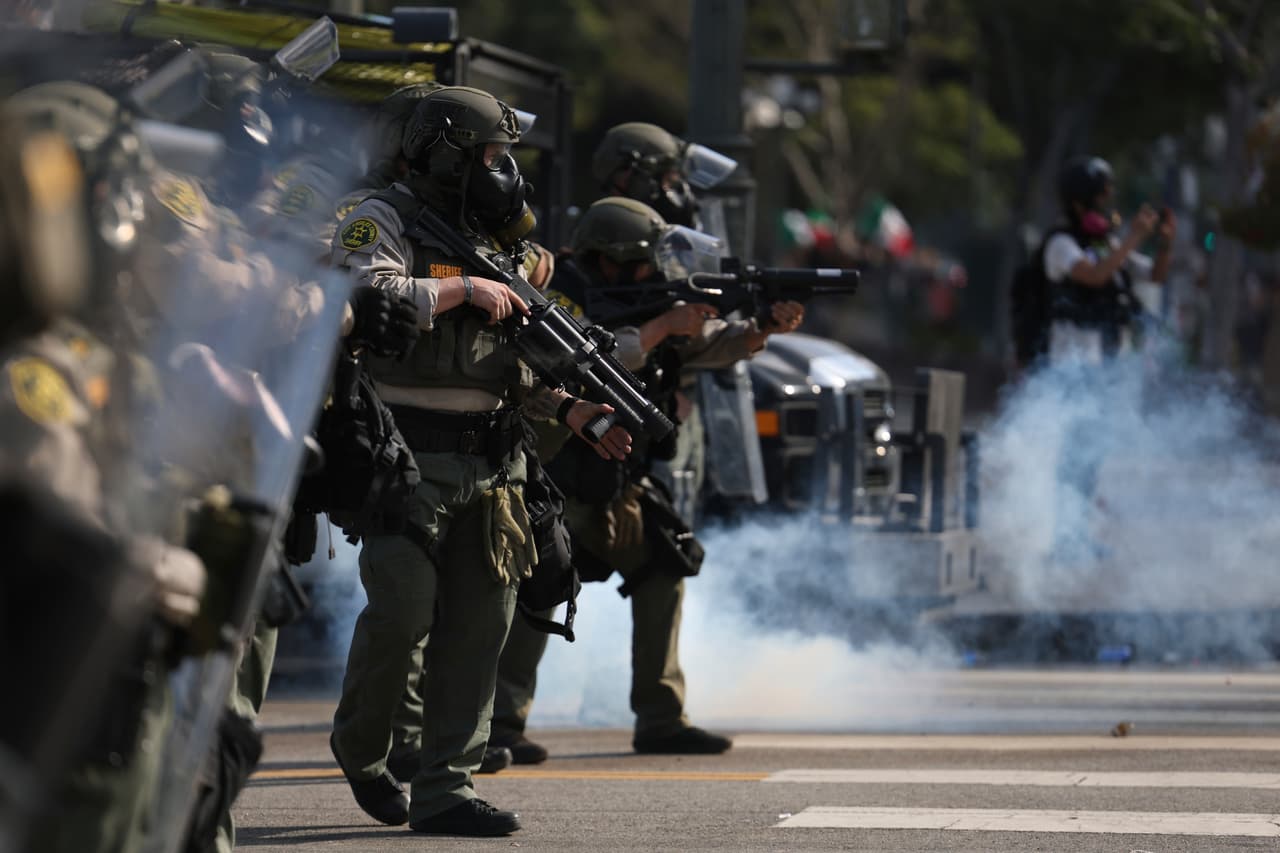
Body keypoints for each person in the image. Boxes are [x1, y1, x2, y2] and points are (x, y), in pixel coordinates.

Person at [328, 85, 630, 838]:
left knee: (477, 631)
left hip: (494, 468)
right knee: (401, 612)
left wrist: (574, 409)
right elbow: (367, 293)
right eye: (494, 155)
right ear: (447, 152)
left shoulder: (514, 255)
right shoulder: (383, 219)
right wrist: (463, 287)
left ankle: (445, 789)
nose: (505, 172)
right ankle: (361, 747)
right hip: (403, 459)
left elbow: (519, 374)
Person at [490, 197, 804, 761]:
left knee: (665, 562)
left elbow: (711, 349)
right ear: (608, 259)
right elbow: (587, 355)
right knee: (539, 589)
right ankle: (500, 723)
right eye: (641, 265)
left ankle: (660, 716)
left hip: (617, 483)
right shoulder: (564, 294)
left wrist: (760, 329)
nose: (652, 276)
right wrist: (662, 326)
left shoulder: (649, 301)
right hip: (555, 480)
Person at [1044, 156, 1175, 364]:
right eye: (1099, 198)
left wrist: (1165, 244)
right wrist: (1135, 237)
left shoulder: (1107, 245)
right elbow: (1095, 275)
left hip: (1112, 362)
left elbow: (1156, 275)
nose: (1105, 205)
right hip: (1073, 365)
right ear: (1078, 204)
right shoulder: (1061, 244)